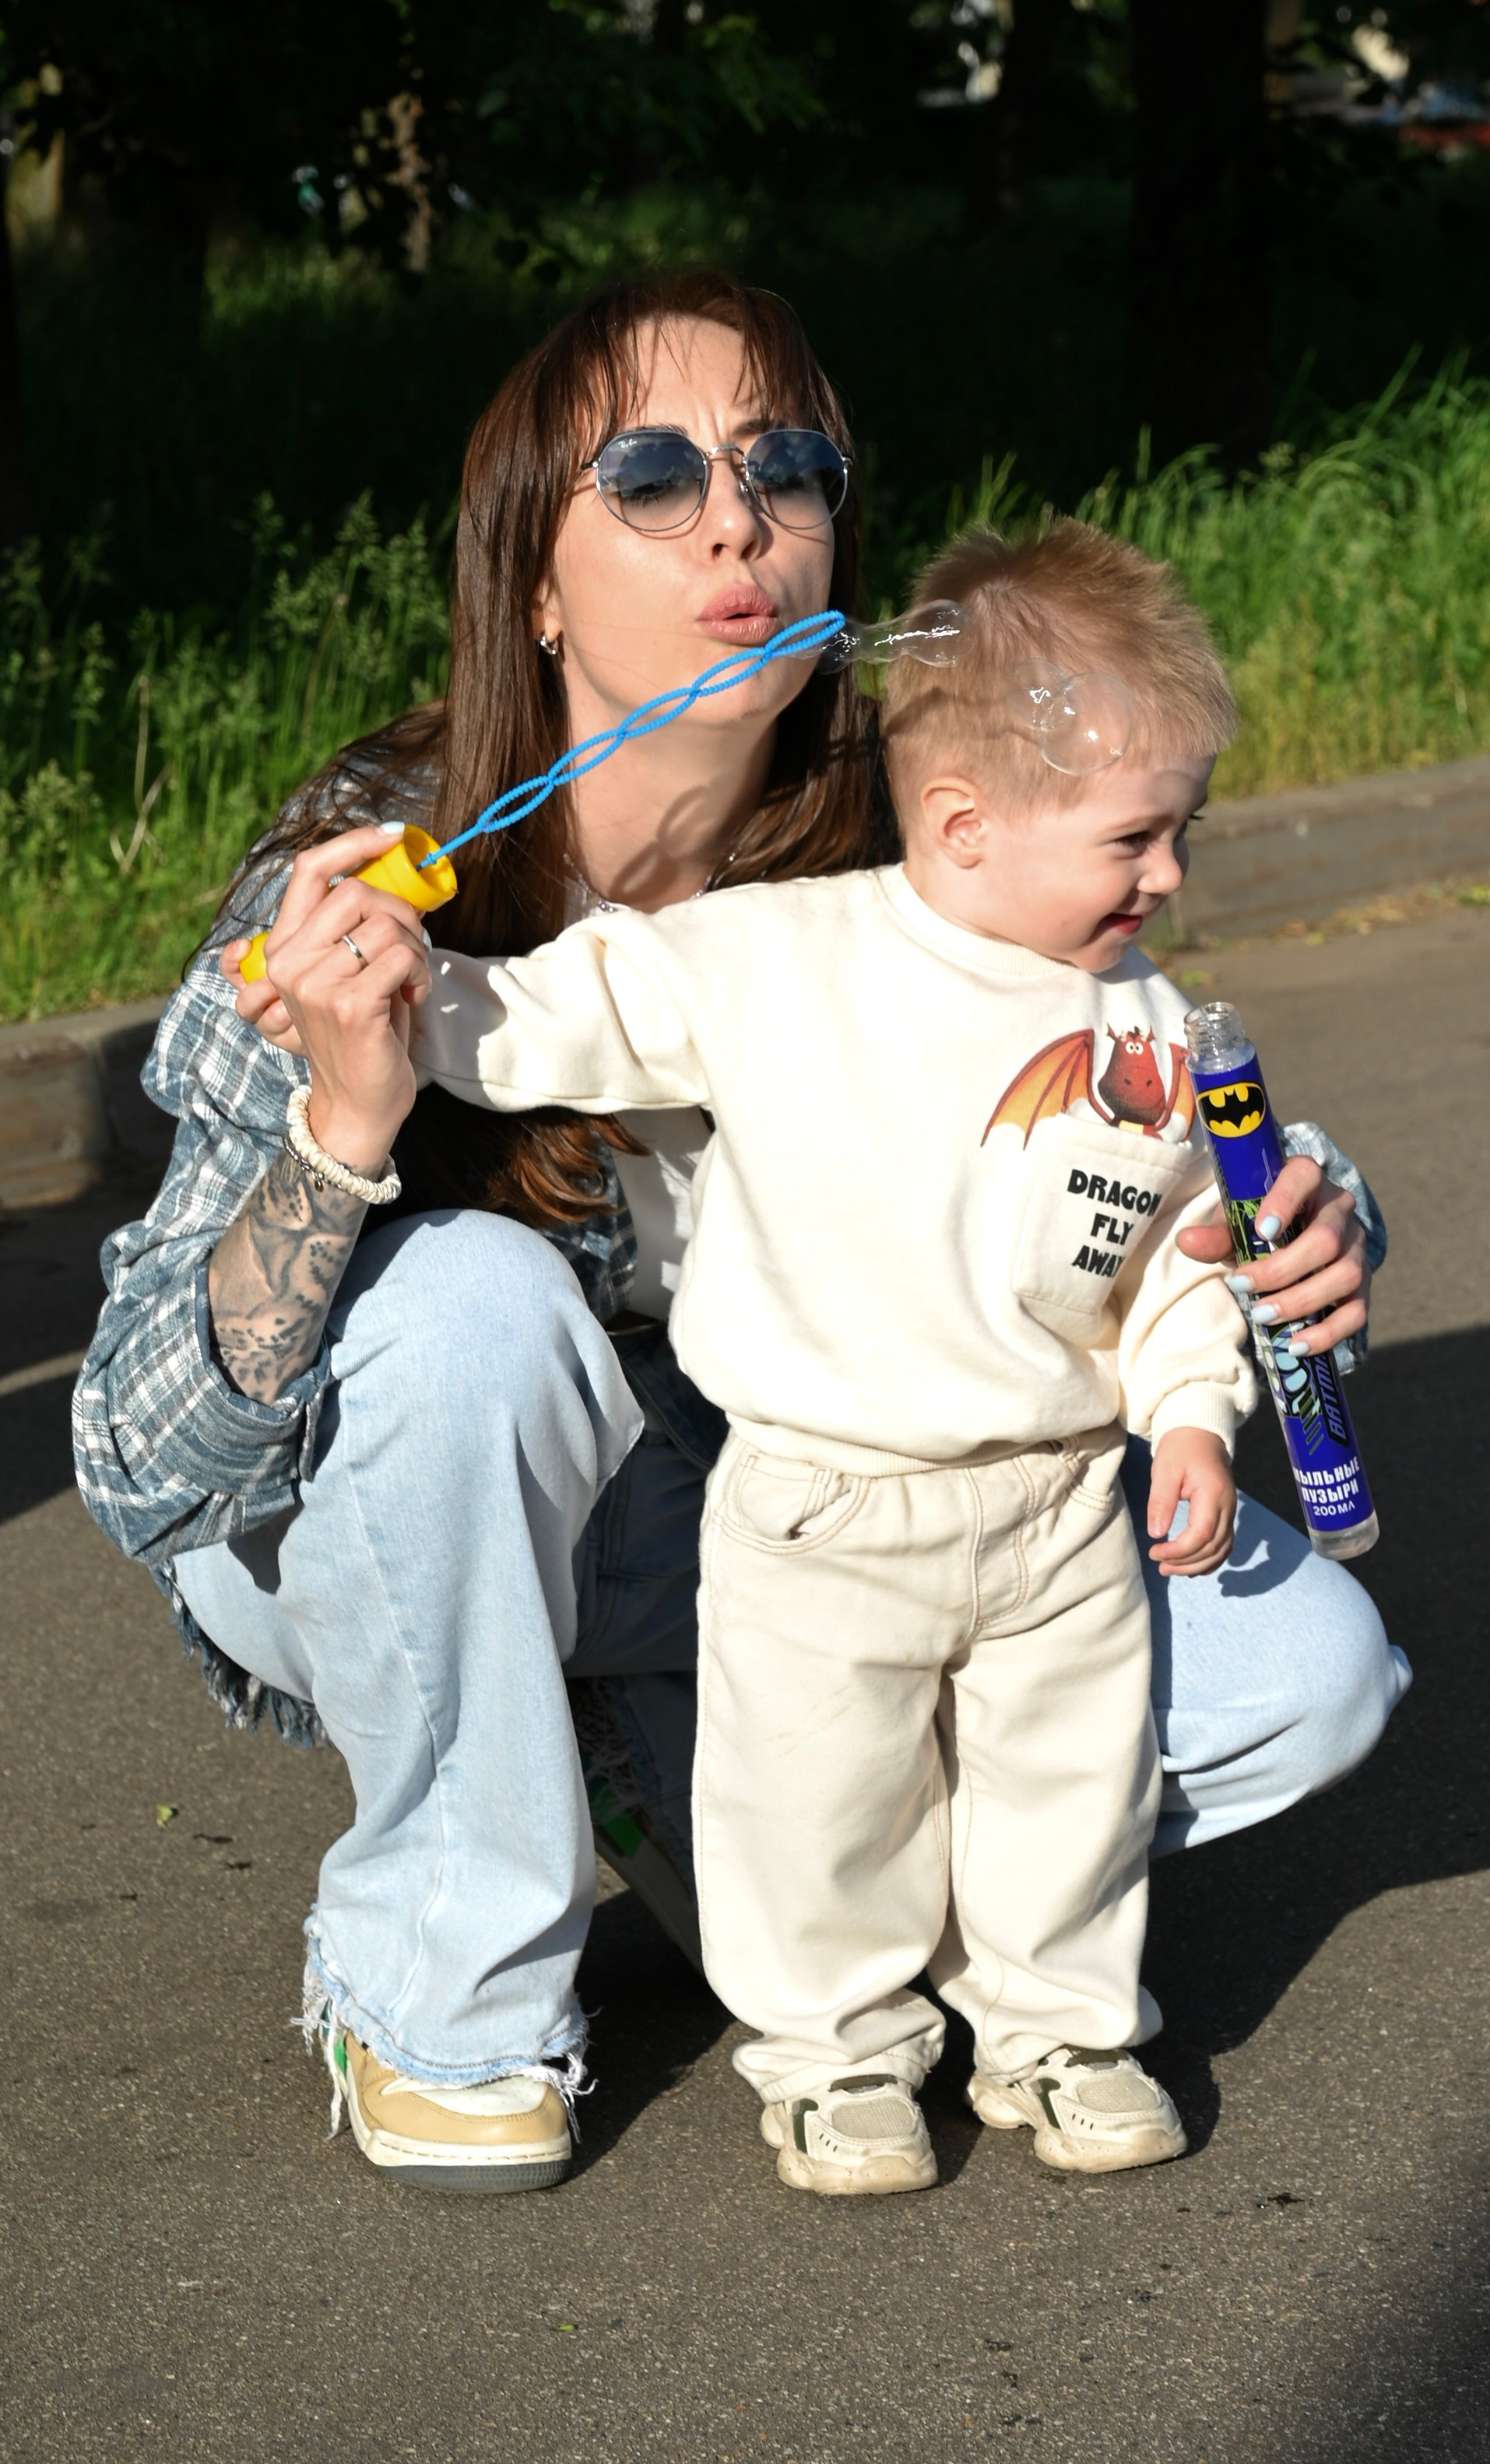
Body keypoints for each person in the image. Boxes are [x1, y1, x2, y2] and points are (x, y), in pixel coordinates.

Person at [71, 270, 1407, 2196]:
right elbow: (140, 1466)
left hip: (794, 1539)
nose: (737, 520)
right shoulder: (366, 872)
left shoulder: (920, 839)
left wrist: (1309, 1216)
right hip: (411, 1515)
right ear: (532, 580)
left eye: (788, 469)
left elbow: (1128, 1118)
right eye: (652, 474)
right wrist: (348, 1121)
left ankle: (709, 1798)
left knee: (1305, 1676)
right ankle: (442, 1977)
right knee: (469, 1310)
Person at [409, 522, 1266, 2194]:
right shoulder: (779, 959)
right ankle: (838, 2057)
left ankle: (1061, 2032)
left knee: (1069, 1795)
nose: (1167, 875)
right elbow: (551, 1019)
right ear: (963, 820)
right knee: (817, 1802)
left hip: (1056, 1504)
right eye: (1132, 837)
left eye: (1184, 830)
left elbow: (1177, 1255)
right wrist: (404, 988)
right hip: (822, 1503)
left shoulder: (1149, 1029)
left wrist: (1188, 1415)